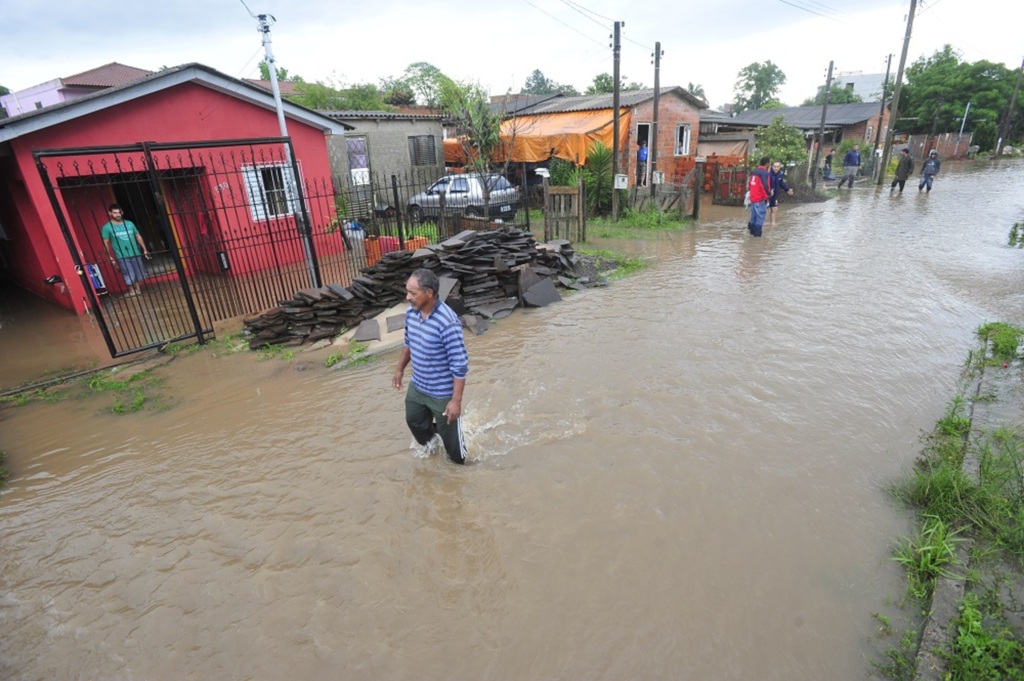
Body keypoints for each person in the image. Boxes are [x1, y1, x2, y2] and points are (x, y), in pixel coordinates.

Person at [393, 268, 469, 464]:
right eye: (407, 292)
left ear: (429, 293)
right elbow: (408, 343)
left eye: (413, 293)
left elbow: (460, 365)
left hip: (442, 394)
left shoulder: (447, 322)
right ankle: (434, 451)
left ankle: (459, 465)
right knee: (414, 421)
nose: (407, 297)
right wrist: (400, 369)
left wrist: (456, 402)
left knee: (456, 455)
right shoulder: (411, 314)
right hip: (418, 386)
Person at [101, 203, 150, 296]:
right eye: (115, 213)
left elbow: (138, 236)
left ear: (122, 212)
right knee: (128, 274)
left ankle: (138, 289)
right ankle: (132, 291)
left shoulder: (129, 224)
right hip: (122, 256)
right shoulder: (107, 227)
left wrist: (144, 249)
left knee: (139, 273)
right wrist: (108, 256)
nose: (118, 214)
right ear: (110, 213)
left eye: (119, 212)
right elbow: (105, 242)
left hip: (135, 253)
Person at [747, 156, 771, 237]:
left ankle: (751, 233)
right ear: (767, 163)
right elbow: (765, 186)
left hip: (753, 198)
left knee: (753, 216)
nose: (770, 165)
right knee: (760, 217)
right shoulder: (764, 173)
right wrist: (768, 195)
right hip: (760, 198)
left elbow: (749, 184)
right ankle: (757, 236)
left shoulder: (754, 171)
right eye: (769, 163)